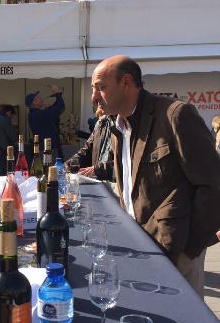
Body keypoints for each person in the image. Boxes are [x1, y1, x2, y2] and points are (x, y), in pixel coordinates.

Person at [91, 54, 220, 297]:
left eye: (101, 87)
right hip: (141, 246)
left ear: (126, 82)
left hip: (176, 250)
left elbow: (213, 184)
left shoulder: (175, 115)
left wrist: (189, 248)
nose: (94, 97)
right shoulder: (119, 125)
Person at [65, 103, 115, 181]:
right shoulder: (100, 123)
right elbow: (87, 150)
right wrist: (69, 164)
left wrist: (97, 169)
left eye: (100, 90)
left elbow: (126, 164)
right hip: (98, 185)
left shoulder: (124, 123)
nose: (93, 97)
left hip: (117, 188)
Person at [26, 84, 65, 156]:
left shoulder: (35, 113)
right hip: (48, 149)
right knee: (51, 167)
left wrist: (58, 94)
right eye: (38, 98)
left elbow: (55, 108)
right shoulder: (39, 114)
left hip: (45, 148)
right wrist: (57, 93)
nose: (41, 98)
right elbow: (60, 107)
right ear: (34, 102)